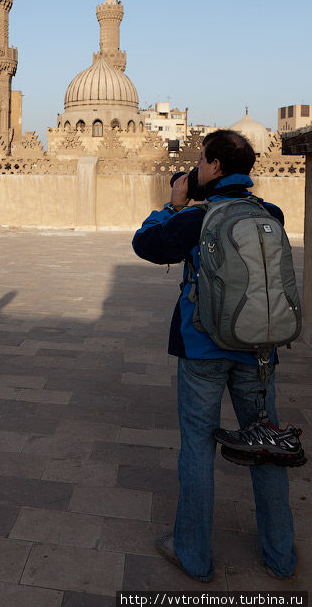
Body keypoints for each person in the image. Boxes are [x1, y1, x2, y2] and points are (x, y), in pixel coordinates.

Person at [132, 129, 296, 582]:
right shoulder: (271, 214)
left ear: (215, 167)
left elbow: (145, 244)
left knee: (198, 451)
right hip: (258, 353)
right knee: (267, 448)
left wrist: (173, 204)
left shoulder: (197, 218)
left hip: (202, 349)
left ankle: (194, 556)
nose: (197, 168)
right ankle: (280, 556)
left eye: (202, 161)